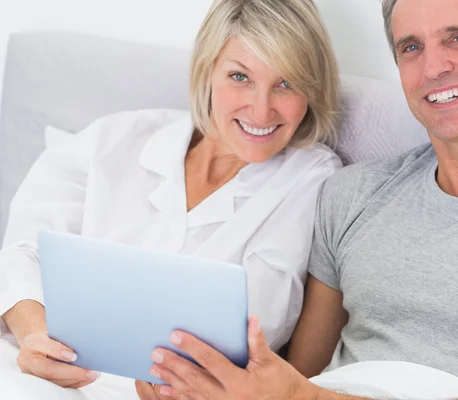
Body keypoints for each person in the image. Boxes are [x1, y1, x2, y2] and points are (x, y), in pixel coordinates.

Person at [135, 0, 458, 399]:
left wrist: (298, 396)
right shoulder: (353, 194)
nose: (434, 67)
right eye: (411, 47)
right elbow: (300, 375)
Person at [0, 0, 341, 396]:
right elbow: (21, 250)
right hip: (37, 371)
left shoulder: (311, 178)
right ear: (207, 71)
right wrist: (35, 336)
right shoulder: (116, 138)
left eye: (287, 83)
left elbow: (259, 319)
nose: (262, 110)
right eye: (239, 76)